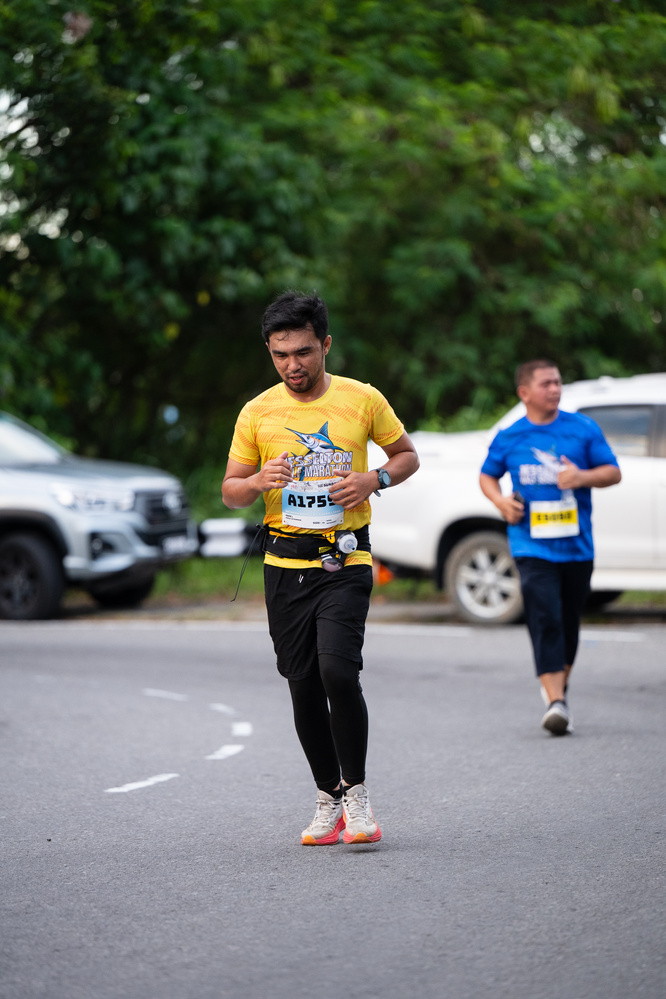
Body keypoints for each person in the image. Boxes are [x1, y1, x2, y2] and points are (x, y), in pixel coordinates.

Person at [222, 291, 419, 843]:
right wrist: (257, 481)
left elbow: (407, 456)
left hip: (345, 557)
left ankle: (357, 795)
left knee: (338, 671)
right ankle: (328, 796)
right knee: (302, 683)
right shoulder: (257, 412)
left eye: (303, 351)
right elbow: (231, 491)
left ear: (325, 344)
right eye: (280, 354)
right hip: (283, 562)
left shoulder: (362, 399)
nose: (293, 365)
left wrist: (374, 479)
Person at [479, 360, 621, 735]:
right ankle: (556, 701)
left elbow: (613, 472)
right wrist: (501, 502)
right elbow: (487, 476)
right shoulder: (510, 436)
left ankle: (558, 691)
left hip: (577, 546)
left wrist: (582, 476)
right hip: (530, 545)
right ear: (524, 393)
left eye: (558, 382)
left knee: (568, 622)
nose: (555, 389)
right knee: (545, 617)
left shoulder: (583, 428)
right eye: (546, 384)